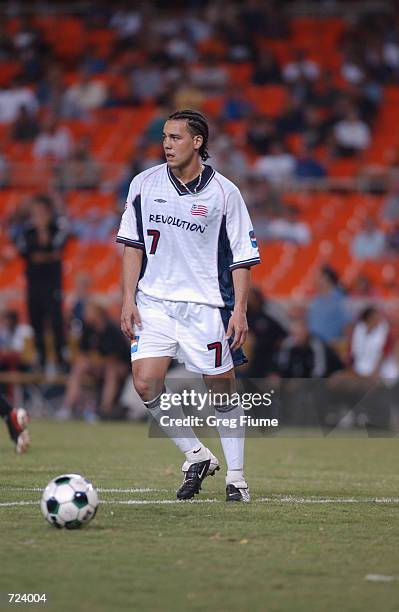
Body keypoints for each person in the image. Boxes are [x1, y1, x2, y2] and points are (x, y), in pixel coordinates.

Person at [117, 109, 260, 502]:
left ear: (197, 142)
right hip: (155, 302)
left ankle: (236, 477)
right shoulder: (144, 183)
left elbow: (242, 257)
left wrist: (240, 310)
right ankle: (196, 454)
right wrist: (128, 298)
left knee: (221, 391)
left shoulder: (225, 193)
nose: (167, 144)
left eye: (176, 137)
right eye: (165, 137)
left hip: (206, 306)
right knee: (145, 381)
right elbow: (132, 244)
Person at [12, 194, 69, 371]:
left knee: (55, 319)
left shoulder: (57, 227)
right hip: (34, 283)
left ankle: (61, 358)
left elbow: (55, 248)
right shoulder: (27, 231)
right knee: (36, 319)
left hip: (52, 283)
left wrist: (43, 236)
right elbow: (25, 252)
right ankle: (41, 358)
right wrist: (45, 255)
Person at [61, 301, 130, 421]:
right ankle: (67, 407)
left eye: (88, 311)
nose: (85, 314)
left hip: (119, 367)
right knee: (79, 367)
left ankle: (104, 410)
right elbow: (83, 353)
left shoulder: (112, 329)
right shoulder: (88, 329)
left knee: (111, 371)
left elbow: (117, 357)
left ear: (98, 313)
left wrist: (98, 363)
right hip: (98, 366)